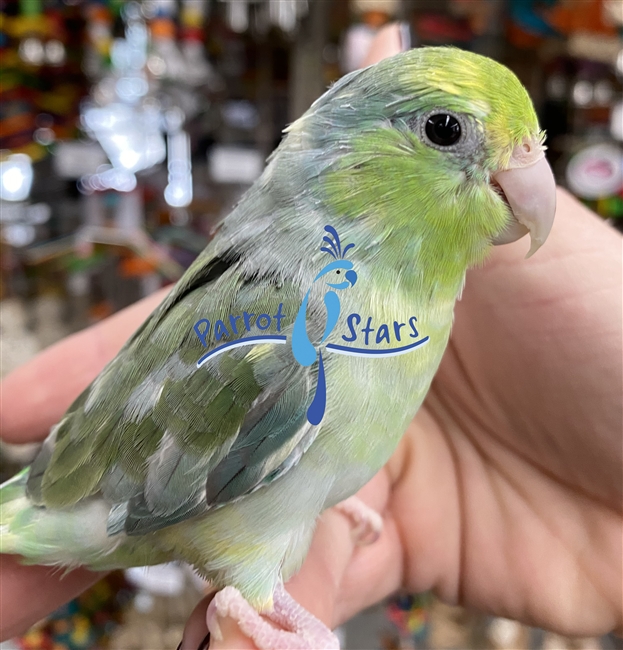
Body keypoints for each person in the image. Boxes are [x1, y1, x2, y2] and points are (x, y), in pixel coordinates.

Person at [1, 24, 621, 650]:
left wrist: (312, 496)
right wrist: (268, 605)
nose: (524, 180)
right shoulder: (284, 320)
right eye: (446, 132)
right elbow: (151, 502)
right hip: (90, 502)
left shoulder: (417, 305)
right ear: (345, 148)